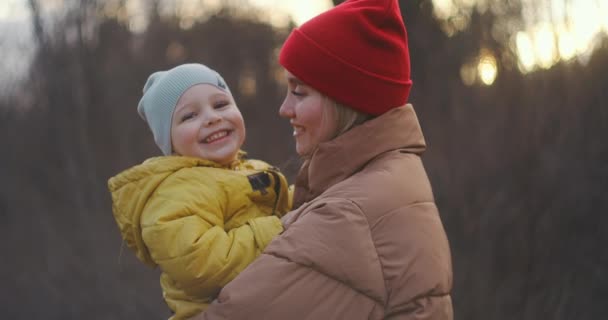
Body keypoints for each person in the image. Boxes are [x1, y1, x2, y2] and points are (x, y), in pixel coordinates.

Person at [194, 0, 453, 319]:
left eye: (299, 93)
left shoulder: (348, 215)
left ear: (345, 100)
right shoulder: (391, 178)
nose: (284, 109)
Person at [108, 63, 291, 320]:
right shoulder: (172, 193)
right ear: (168, 141)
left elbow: (291, 206)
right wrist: (283, 229)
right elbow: (201, 265)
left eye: (220, 105)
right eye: (189, 116)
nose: (212, 117)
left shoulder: (254, 168)